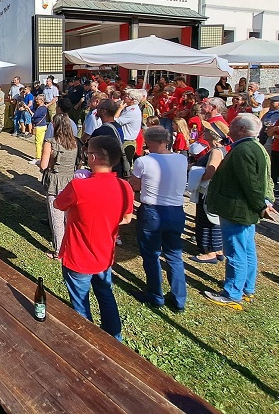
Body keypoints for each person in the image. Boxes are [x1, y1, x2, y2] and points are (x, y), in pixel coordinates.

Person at [54, 135, 134, 340]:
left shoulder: (79, 186)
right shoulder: (125, 187)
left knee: (81, 304)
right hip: (104, 255)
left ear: (93, 157)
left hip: (78, 257)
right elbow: (126, 218)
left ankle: (87, 342)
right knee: (106, 295)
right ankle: (115, 338)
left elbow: (58, 204)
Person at [204, 114, 277, 310]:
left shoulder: (243, 150)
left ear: (243, 130)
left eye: (233, 126)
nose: (229, 129)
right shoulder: (256, 147)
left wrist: (261, 206)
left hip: (237, 209)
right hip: (244, 209)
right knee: (247, 249)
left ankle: (233, 292)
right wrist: (264, 203)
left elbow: (252, 184)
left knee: (236, 251)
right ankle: (247, 287)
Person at [129, 126, 188, 311]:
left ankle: (155, 294)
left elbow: (135, 184)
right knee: (174, 254)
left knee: (151, 254)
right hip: (176, 211)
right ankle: (179, 298)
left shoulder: (144, 161)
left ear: (150, 141)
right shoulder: (182, 159)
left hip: (152, 210)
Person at [39, 114, 78, 259]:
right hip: (70, 181)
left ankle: (59, 250)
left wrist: (45, 164)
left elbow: (43, 165)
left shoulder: (51, 142)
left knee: (56, 218)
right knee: (69, 217)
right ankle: (71, 244)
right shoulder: (74, 143)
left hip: (55, 182)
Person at [190, 122, 229, 264]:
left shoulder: (216, 151)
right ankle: (218, 250)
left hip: (207, 190)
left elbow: (210, 172)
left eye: (207, 130)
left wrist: (196, 175)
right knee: (211, 219)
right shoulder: (217, 149)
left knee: (207, 219)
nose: (204, 132)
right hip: (211, 190)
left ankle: (210, 252)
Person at [91, 99, 127, 177]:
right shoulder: (118, 127)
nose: (96, 109)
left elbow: (87, 148)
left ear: (104, 111)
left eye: (98, 107)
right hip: (118, 169)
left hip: (104, 171)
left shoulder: (100, 131)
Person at [115, 89, 143, 170]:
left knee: (125, 167)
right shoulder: (128, 109)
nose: (123, 97)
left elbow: (116, 121)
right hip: (122, 140)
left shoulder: (132, 111)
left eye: (126, 96)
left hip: (127, 142)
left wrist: (119, 109)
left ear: (133, 100)